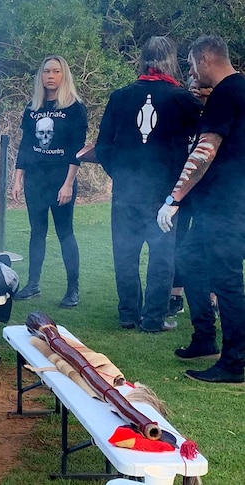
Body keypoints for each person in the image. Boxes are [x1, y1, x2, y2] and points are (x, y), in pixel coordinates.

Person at [96, 37, 202, 333]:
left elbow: (103, 146)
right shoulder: (182, 98)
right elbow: (205, 141)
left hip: (127, 193)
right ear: (171, 60)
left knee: (126, 254)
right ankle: (152, 319)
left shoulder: (120, 96)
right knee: (161, 257)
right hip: (164, 195)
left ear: (142, 60)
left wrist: (120, 174)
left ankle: (128, 315)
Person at [156, 35, 245, 383]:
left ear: (205, 59)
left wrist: (174, 198)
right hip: (223, 203)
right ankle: (205, 337)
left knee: (227, 281)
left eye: (192, 65)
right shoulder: (238, 89)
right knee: (189, 259)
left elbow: (205, 151)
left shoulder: (226, 92)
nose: (191, 74)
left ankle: (234, 362)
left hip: (226, 204)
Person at [10, 55, 87, 308]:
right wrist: (18, 179)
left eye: (55, 71)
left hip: (61, 179)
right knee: (37, 233)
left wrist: (68, 184)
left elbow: (77, 150)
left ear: (63, 75)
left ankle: (72, 289)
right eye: (46, 72)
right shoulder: (32, 109)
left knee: (66, 233)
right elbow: (25, 146)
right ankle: (33, 285)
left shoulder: (74, 108)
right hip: (36, 180)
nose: (50, 76)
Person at [168, 75, 214, 318]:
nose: (197, 90)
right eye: (192, 86)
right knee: (179, 242)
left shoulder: (217, 116)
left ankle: (212, 297)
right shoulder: (182, 114)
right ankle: (175, 295)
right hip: (182, 190)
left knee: (208, 244)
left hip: (209, 192)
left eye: (202, 86)